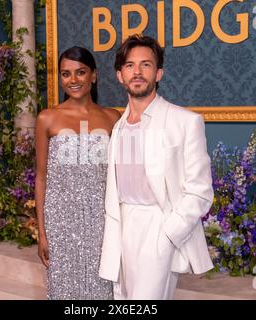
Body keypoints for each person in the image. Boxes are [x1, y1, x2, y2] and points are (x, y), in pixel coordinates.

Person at [99, 35, 214, 300]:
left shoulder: (185, 121)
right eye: (129, 65)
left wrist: (168, 234)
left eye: (146, 65)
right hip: (122, 226)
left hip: (158, 224)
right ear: (120, 75)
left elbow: (200, 191)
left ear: (158, 72)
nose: (137, 72)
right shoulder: (118, 127)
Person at [35, 46, 121, 300]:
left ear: (93, 75)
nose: (73, 80)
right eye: (66, 74)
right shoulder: (47, 118)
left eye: (80, 72)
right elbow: (41, 178)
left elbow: (119, 178)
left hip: (101, 220)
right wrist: (42, 232)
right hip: (59, 220)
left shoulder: (112, 118)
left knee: (102, 288)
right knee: (64, 290)